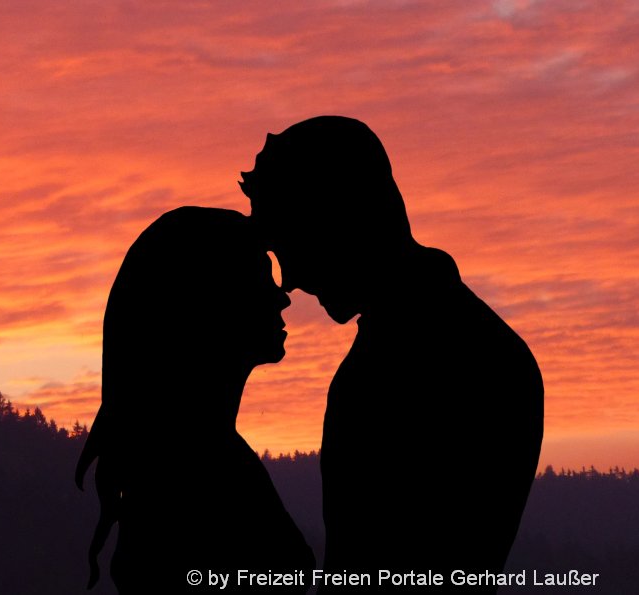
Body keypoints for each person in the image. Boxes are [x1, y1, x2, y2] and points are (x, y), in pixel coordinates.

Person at [241, 116, 543, 593]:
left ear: (340, 221)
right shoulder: (487, 349)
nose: (291, 281)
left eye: (292, 246)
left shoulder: (396, 370)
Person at [76, 207, 314, 593]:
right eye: (259, 278)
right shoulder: (194, 467)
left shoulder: (195, 456)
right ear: (211, 304)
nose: (282, 298)